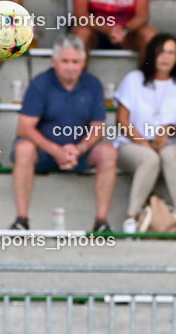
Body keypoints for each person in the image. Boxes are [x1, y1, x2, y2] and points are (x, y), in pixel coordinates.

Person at [8, 34, 117, 232]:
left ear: (83, 63)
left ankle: (101, 222)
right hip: (43, 152)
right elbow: (24, 128)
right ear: (54, 62)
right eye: (65, 61)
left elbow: (98, 128)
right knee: (23, 149)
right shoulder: (40, 83)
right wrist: (55, 150)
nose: (70, 66)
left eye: (75, 62)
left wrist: (78, 148)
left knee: (109, 153)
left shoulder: (93, 85)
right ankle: (22, 219)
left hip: (79, 153)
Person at [114, 34, 176, 233]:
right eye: (161, 52)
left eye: (171, 52)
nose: (166, 57)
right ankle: (131, 218)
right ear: (152, 54)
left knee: (168, 154)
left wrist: (169, 129)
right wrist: (144, 143)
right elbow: (122, 121)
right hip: (132, 144)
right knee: (150, 158)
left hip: (170, 144)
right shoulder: (134, 80)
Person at [68, 0, 157, 56]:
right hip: (94, 30)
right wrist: (108, 30)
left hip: (126, 33)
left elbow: (142, 16)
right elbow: (80, 14)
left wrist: (123, 29)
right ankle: (77, 77)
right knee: (82, 33)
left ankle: (146, 77)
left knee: (149, 35)